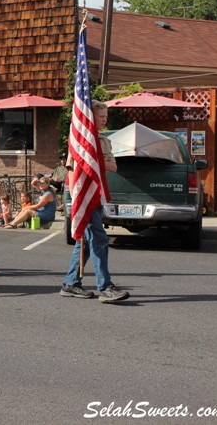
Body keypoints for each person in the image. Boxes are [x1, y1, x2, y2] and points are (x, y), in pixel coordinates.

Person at [61, 100, 130, 303]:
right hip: (83, 197)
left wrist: (94, 158)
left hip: (96, 195)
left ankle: (71, 283)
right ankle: (105, 286)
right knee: (98, 239)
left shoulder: (103, 140)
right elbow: (71, 169)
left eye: (106, 116)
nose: (105, 119)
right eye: (101, 116)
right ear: (90, 117)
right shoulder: (79, 140)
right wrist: (75, 197)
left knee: (84, 244)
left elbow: (113, 167)